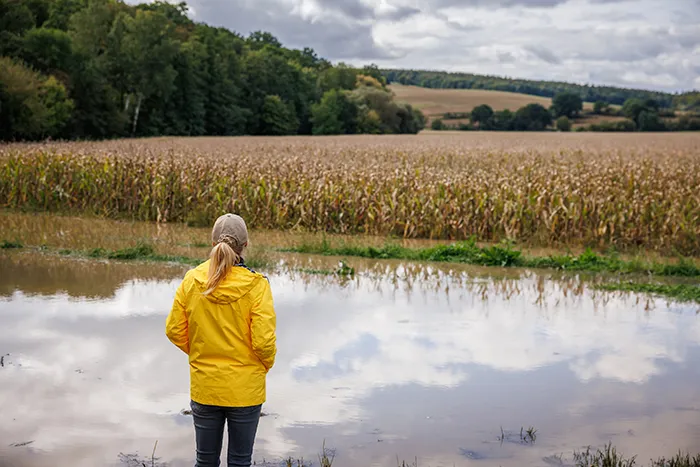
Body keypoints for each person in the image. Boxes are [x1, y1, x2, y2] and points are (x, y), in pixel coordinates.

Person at [166, 213, 277, 467]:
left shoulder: (192, 279)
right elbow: (263, 343)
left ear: (212, 242)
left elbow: (174, 330)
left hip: (205, 386)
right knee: (240, 462)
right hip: (245, 391)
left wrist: (201, 353)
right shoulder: (257, 285)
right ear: (245, 245)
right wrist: (262, 367)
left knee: (204, 462)